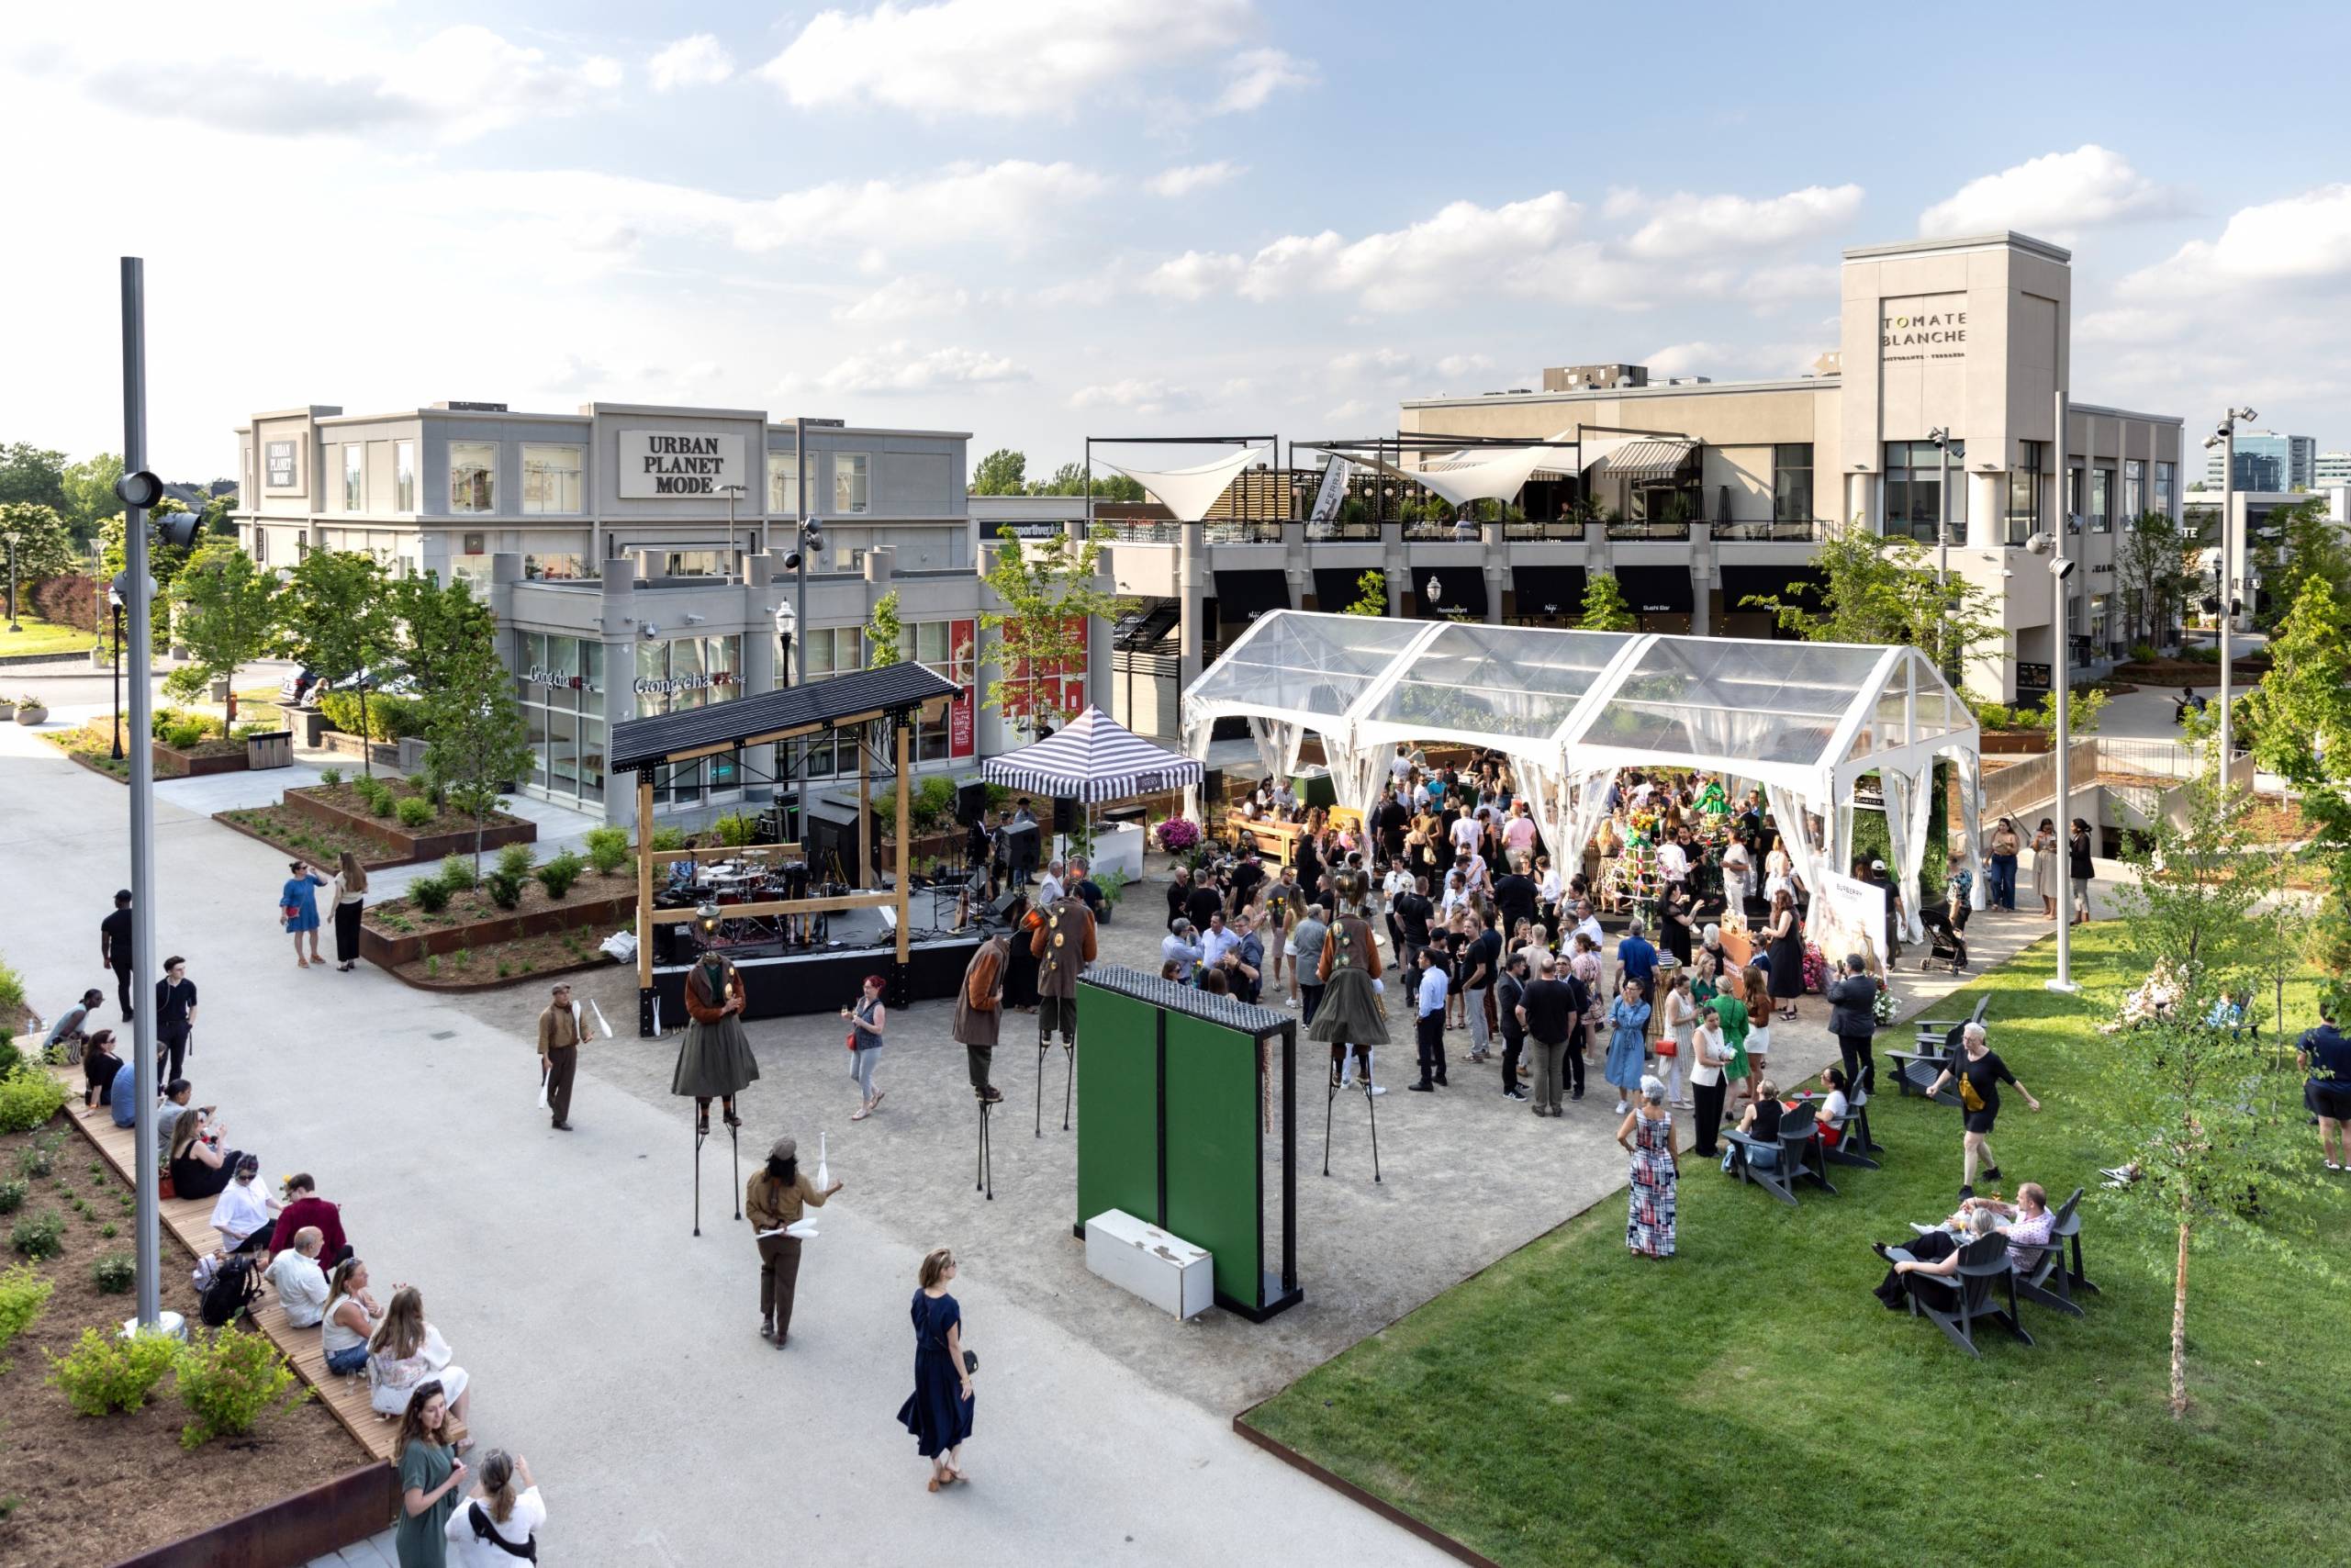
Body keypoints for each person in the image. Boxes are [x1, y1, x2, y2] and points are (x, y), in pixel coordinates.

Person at [1925, 1021, 2043, 1198]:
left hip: (1986, 1106)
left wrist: (2030, 1099)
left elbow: (2012, 1081)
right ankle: (1993, 1171)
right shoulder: (1960, 1050)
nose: (1966, 1042)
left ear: (1980, 1040)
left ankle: (1967, 1188)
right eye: (1964, 1038)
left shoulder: (1991, 1060)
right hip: (1969, 1103)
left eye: (1970, 1040)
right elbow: (1951, 1069)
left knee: (1970, 1143)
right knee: (1978, 1142)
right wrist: (1936, 1085)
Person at [746, 1137, 841, 1346]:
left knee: (768, 1272)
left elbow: (751, 1211)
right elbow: (817, 1201)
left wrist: (772, 1223)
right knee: (786, 1285)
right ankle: (782, 1333)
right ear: (792, 1161)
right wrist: (833, 1189)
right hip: (790, 1240)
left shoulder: (756, 1178)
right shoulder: (799, 1182)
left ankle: (767, 1320)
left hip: (765, 1239)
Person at [897, 1247, 976, 1493]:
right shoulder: (949, 1305)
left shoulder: (918, 1296)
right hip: (943, 1363)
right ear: (943, 1271)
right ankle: (954, 1461)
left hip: (923, 1360)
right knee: (964, 1402)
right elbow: (953, 1346)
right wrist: (965, 1378)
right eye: (953, 1264)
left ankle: (936, 1470)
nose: (956, 1266)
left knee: (929, 1410)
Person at [1311, 874, 1390, 1096]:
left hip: (1338, 978)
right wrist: (1371, 973)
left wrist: (1324, 975)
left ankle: (1338, 1072)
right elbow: (1375, 963)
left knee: (1338, 1026)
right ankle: (1363, 1071)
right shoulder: (1364, 927)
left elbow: (1326, 959)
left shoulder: (1333, 927)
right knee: (1362, 1025)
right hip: (1360, 979)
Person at [675, 949, 758, 1135]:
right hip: (705, 1029)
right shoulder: (694, 975)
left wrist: (735, 1005)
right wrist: (720, 1011)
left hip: (727, 1026)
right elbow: (694, 1008)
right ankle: (704, 1117)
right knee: (703, 1073)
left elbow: (739, 990)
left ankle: (728, 1111)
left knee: (728, 1068)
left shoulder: (728, 966)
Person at [368, 1286, 473, 1423]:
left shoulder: (381, 1327)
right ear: (417, 1309)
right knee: (460, 1375)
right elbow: (443, 1361)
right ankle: (461, 1430)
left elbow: (369, 1350)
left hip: (385, 1395)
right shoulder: (424, 1331)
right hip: (412, 1399)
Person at [1871, 1203, 2002, 1310]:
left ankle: (1890, 1297)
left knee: (1908, 1261)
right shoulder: (1996, 1246)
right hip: (1971, 1292)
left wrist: (1909, 1264)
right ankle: (1896, 1250)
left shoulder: (1967, 1251)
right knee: (1941, 1237)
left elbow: (1941, 1270)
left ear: (1973, 1227)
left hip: (1952, 1298)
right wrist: (1975, 1214)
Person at [394, 1382, 467, 1568]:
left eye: (442, 1405)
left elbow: (437, 1458)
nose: (439, 1414)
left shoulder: (433, 1433)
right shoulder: (415, 1451)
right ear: (418, 1413)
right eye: (431, 1410)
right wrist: (450, 1483)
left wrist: (450, 1462)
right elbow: (413, 1506)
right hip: (421, 1537)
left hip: (434, 1529)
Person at [443, 1449, 545, 1568]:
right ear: (508, 1476)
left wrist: (477, 1489)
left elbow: (450, 1533)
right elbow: (539, 1521)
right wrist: (526, 1474)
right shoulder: (526, 1506)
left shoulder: (462, 1515)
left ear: (482, 1479)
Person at [1031, 879, 1097, 1057]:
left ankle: (1046, 1033)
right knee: (1069, 1000)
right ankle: (1067, 1036)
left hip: (1050, 963)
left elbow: (1036, 946)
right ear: (1080, 898)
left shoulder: (1050, 909)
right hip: (1072, 966)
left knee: (1048, 998)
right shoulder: (1085, 914)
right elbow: (1091, 953)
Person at [1619, 1074, 1678, 1259]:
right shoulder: (1668, 1118)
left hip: (1642, 1164)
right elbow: (1673, 1149)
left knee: (1638, 1204)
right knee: (1659, 1207)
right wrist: (1675, 1168)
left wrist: (1630, 1148)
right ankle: (1655, 1249)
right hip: (1662, 1166)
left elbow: (1620, 1136)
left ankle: (1636, 1246)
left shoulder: (1637, 1114)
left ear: (1648, 1095)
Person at [954, 929, 1009, 1104]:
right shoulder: (993, 954)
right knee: (980, 1051)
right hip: (976, 1016)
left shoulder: (993, 949)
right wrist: (996, 999)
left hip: (978, 1017)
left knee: (982, 1050)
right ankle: (982, 1088)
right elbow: (977, 999)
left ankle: (983, 1086)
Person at [1517, 957, 1576, 1117]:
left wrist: (1525, 1026)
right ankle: (1556, 1107)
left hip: (1538, 1035)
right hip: (1560, 1036)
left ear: (1540, 970)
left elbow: (1519, 1011)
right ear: (1554, 970)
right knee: (1556, 1071)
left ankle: (1540, 1106)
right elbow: (1572, 1016)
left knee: (1540, 1071)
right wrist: (1568, 1033)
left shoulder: (1532, 987)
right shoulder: (1565, 988)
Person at [2297, 1003, 2351, 1170]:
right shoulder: (2348, 1035)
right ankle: (2350, 1164)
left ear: (2321, 1014)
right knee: (2347, 1126)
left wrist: (2304, 1076)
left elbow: (2300, 1059)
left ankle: (2332, 1162)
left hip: (2319, 1086)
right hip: (2346, 1087)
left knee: (2326, 1125)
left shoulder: (2311, 1034)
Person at [1825, 953, 1880, 1094]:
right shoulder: (1871, 983)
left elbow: (1831, 997)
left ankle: (1854, 1090)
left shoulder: (1845, 986)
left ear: (1849, 967)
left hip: (1847, 1029)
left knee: (1850, 1060)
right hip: (1865, 1027)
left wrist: (1836, 981)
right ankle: (1869, 1086)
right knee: (1866, 1058)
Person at [537, 982, 590, 1131]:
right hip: (553, 1054)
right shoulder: (547, 1015)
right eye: (561, 993)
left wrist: (586, 1036)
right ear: (555, 996)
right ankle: (557, 1109)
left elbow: (583, 1025)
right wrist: (546, 1058)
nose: (566, 996)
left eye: (567, 992)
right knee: (548, 1087)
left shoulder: (575, 1008)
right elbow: (543, 1038)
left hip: (571, 1052)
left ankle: (559, 1119)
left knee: (566, 1086)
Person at [267, 1173, 352, 1267]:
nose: (290, 1200)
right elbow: (338, 1243)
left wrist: (270, 1264)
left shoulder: (289, 1212)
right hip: (323, 1264)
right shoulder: (331, 1208)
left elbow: (276, 1246)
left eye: (290, 1195)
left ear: (300, 1190)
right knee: (348, 1250)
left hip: (297, 1266)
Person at [167, 1106, 246, 1202]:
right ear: (192, 1124)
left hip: (183, 1190)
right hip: (196, 1190)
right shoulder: (196, 1145)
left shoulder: (178, 1142)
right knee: (238, 1156)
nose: (204, 1123)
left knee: (228, 1158)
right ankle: (243, 1194)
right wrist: (221, 1138)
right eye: (201, 1120)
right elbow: (218, 1164)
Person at [321, 1256, 383, 1376]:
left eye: (365, 1271)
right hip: (341, 1359)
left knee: (392, 1342)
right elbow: (374, 1336)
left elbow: (379, 1314)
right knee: (389, 1348)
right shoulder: (347, 1307)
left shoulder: (359, 1291)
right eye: (361, 1274)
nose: (367, 1275)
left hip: (355, 1346)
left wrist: (378, 1309)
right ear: (348, 1283)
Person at [210, 1155, 280, 1253]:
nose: (247, 1180)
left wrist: (281, 1207)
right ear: (237, 1173)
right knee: (283, 1234)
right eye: (243, 1177)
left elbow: (267, 1199)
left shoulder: (257, 1179)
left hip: (260, 1223)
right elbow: (217, 1223)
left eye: (251, 1177)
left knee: (288, 1225)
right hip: (241, 1237)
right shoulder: (230, 1193)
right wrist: (234, 1233)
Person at [1687, 1007, 1733, 1157]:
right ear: (1704, 1020)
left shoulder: (1719, 1031)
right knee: (1704, 1115)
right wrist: (1720, 1063)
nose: (1716, 1023)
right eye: (1711, 1020)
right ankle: (1703, 1148)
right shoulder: (1699, 1033)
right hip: (1704, 1080)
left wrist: (1726, 1056)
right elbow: (1701, 1059)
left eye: (1717, 1019)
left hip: (1719, 1076)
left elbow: (1719, 1051)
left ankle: (1712, 1144)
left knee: (1716, 1112)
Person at [843, 975, 890, 1122]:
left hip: (871, 1047)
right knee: (854, 1074)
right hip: (859, 1044)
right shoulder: (862, 1000)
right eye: (865, 987)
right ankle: (877, 1092)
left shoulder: (879, 1007)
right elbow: (856, 1017)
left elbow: (879, 1030)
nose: (866, 990)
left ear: (877, 989)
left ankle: (865, 1108)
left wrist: (862, 1023)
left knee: (864, 1077)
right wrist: (850, 1016)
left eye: (869, 987)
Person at [265, 1226, 331, 1327]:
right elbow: (328, 1300)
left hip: (291, 1312)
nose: (323, 1243)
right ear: (311, 1247)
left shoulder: (283, 1255)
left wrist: (286, 1287)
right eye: (321, 1239)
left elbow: (268, 1276)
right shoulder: (311, 1272)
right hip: (309, 1317)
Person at [1604, 977, 1652, 1115]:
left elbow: (1633, 1023)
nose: (1628, 991)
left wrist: (1627, 1004)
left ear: (1640, 991)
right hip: (1619, 1038)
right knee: (1619, 1068)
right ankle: (1623, 1100)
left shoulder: (1645, 1007)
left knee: (1634, 1072)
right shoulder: (1619, 999)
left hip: (1634, 1041)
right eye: (1627, 988)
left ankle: (1637, 1107)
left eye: (1632, 989)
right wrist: (1613, 1021)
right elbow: (1611, 1015)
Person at [1461, 910, 1502, 1064]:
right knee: (1480, 1017)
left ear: (1477, 927)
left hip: (1474, 988)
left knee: (1474, 1020)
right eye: (1465, 926)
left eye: (1469, 927)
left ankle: (1476, 1052)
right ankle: (1484, 1048)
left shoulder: (1478, 945)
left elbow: (1481, 970)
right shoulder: (1475, 944)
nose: (1466, 929)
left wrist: (1467, 984)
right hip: (1478, 987)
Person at [1408, 945, 1450, 1092]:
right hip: (1440, 1012)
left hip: (1429, 1015)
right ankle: (1440, 1074)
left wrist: (1419, 1018)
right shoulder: (1441, 974)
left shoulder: (1426, 981)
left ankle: (1426, 1080)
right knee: (1438, 1044)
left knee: (1424, 1047)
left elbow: (1425, 1007)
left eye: (1420, 958)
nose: (1418, 960)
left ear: (1427, 961)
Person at [154, 954, 198, 1082]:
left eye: (183, 968)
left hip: (180, 1026)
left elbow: (193, 1006)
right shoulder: (159, 988)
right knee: (159, 1063)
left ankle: (173, 1090)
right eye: (179, 969)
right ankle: (156, 1089)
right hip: (162, 1027)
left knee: (177, 1063)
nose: (182, 971)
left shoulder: (188, 985)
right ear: (169, 972)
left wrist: (189, 1025)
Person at [281, 859, 330, 969]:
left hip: (311, 911)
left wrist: (316, 873)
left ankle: (314, 955)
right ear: (297, 871)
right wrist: (283, 914)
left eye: (306, 866)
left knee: (314, 932)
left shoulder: (309, 878)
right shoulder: (290, 884)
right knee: (299, 934)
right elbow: (286, 899)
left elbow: (324, 882)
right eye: (304, 868)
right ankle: (301, 959)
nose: (306, 869)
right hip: (299, 913)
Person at [1495, 950, 1530, 1103]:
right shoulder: (1505, 984)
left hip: (1517, 1026)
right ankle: (1508, 1088)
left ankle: (1514, 1082)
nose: (1524, 968)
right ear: (1515, 966)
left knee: (1514, 1056)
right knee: (1510, 1058)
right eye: (1522, 965)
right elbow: (1509, 1007)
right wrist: (1524, 1021)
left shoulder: (1516, 978)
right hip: (1512, 1027)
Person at [1763, 890, 1804, 1021]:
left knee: (1786, 977)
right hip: (1789, 948)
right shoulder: (1794, 911)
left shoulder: (1786, 913)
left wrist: (1767, 930)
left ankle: (1791, 1012)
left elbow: (1781, 933)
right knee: (1787, 976)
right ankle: (1790, 1006)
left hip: (1786, 950)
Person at [1656, 967, 1693, 1108]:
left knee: (1678, 1068)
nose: (1688, 991)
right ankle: (1676, 1100)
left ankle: (1676, 1095)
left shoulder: (1682, 996)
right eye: (1686, 988)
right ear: (1677, 986)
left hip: (1682, 1038)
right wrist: (1692, 1016)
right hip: (1675, 1039)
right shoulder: (1673, 998)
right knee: (1675, 1069)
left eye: (1689, 988)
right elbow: (1673, 1021)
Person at [1740, 966, 1774, 1107]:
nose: (1741, 978)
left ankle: (1756, 1098)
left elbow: (1763, 1021)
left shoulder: (1761, 998)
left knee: (1755, 1067)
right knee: (1747, 1065)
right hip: (1748, 1034)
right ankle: (1750, 1090)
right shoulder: (1748, 993)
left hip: (1756, 1035)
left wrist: (1746, 1017)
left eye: (1743, 976)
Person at [328, 850, 369, 971]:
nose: (337, 861)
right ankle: (351, 960)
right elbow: (366, 890)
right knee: (353, 932)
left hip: (344, 907)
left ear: (343, 862)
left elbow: (338, 897)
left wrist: (332, 912)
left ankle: (343, 964)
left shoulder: (341, 877)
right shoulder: (360, 872)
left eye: (338, 859)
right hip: (358, 904)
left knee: (342, 934)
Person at [1292, 902, 1329, 1024]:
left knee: (1306, 995)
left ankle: (1305, 1021)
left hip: (1302, 965)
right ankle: (1310, 1022)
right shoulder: (1323, 929)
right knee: (1316, 996)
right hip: (1316, 966)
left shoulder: (1300, 925)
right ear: (1318, 914)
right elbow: (1327, 948)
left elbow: (1296, 943)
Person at [101, 888, 134, 1023]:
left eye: (116, 899)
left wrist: (106, 958)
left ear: (119, 901)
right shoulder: (138, 916)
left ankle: (126, 1012)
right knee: (143, 981)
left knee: (124, 984)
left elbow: (105, 942)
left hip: (118, 955)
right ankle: (147, 1007)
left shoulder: (109, 920)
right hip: (136, 953)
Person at [45, 988, 106, 1060]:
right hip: (52, 1050)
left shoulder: (85, 1009)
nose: (100, 1001)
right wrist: (77, 1034)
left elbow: (75, 1030)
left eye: (101, 999)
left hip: (59, 1046)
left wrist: (80, 1033)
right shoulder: (80, 1012)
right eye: (97, 999)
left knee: (93, 1040)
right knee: (95, 1047)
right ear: (88, 1000)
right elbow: (64, 1033)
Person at [1616, 917, 1658, 1006]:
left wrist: (1616, 983)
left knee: (1628, 1010)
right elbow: (1655, 970)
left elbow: (1620, 967)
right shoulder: (1649, 947)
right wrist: (1658, 981)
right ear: (1642, 931)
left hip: (1630, 984)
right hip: (1646, 985)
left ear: (1629, 930)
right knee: (1645, 1011)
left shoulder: (1623, 944)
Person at [81, 1029, 124, 1110]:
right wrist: (93, 1107)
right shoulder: (102, 1061)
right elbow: (97, 1086)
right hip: (108, 1095)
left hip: (112, 1090)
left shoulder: (103, 1053)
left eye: (115, 1038)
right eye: (112, 1040)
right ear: (103, 1045)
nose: (115, 1042)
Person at [1987, 817, 2021, 912]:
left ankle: (2007, 905)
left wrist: (2006, 846)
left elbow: (2015, 851)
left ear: (2008, 827)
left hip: (2009, 860)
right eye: (2000, 825)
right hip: (1997, 859)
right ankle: (1997, 899)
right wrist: (1987, 860)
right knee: (1995, 881)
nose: (2001, 827)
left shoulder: (2012, 836)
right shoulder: (1995, 834)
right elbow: (1991, 847)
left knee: (2008, 883)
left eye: (2003, 825)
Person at [2031, 818, 2060, 920]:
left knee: (2051, 885)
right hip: (2039, 858)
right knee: (2041, 884)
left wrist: (2053, 841)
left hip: (2051, 859)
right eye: (2046, 828)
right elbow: (2035, 849)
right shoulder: (2036, 833)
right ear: (2042, 827)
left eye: (2050, 828)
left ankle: (2053, 912)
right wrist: (2037, 839)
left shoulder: (2055, 834)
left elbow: (2058, 850)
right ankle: (2047, 908)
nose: (2048, 830)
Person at [2067, 818, 2095, 924]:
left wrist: (2067, 853)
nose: (2071, 828)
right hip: (2076, 869)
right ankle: (2078, 917)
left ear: (2078, 828)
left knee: (2082, 894)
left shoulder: (2083, 837)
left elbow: (2082, 854)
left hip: (2082, 870)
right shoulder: (2077, 836)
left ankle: (2086, 917)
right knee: (2076, 894)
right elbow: (2075, 847)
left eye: (2072, 826)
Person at [1161, 918, 1204, 984]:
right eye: (1188, 930)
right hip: (1182, 978)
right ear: (1182, 932)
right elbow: (1199, 955)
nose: (1189, 932)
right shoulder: (1178, 946)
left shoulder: (1166, 940)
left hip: (1170, 975)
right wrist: (1197, 936)